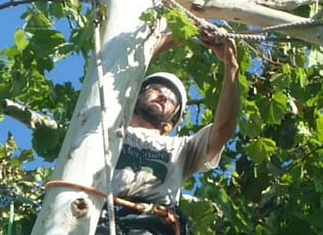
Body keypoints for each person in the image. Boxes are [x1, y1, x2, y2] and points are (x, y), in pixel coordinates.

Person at [95, 34, 240, 235]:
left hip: (150, 225)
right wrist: (179, 33)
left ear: (171, 123)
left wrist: (231, 66)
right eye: (155, 89)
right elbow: (124, 75)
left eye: (172, 99)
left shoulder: (182, 148)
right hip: (95, 216)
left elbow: (224, 129)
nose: (163, 95)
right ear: (137, 97)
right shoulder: (106, 128)